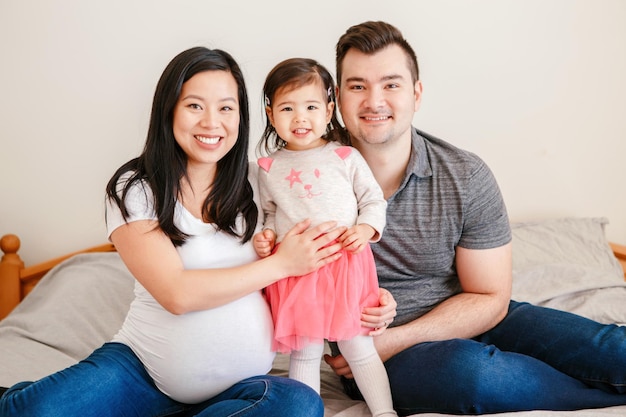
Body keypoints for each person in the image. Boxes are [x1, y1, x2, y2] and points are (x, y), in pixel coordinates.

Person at [0, 47, 348, 417]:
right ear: (169, 110)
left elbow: (323, 245)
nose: (211, 123)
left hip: (241, 389)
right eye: (195, 106)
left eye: (226, 108)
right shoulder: (135, 188)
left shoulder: (261, 180)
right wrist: (281, 265)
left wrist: (370, 301)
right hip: (142, 373)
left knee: (300, 404)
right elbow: (176, 293)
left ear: (242, 117)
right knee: (34, 412)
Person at [323, 20, 626, 415]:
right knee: (477, 376)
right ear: (337, 99)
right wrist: (379, 346)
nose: (374, 100)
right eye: (357, 85)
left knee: (611, 350)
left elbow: (490, 298)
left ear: (416, 94)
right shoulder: (310, 180)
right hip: (374, 360)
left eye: (391, 84)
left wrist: (396, 338)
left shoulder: (464, 175)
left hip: (464, 320)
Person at [254, 57, 397, 417]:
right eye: (287, 108)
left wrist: (365, 229)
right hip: (299, 271)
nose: (300, 118)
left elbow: (372, 201)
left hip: (345, 265)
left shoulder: (345, 156)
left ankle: (384, 412)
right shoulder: (268, 167)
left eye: (311, 107)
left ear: (329, 109)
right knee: (306, 351)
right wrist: (266, 235)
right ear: (271, 115)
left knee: (358, 346)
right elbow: (269, 213)